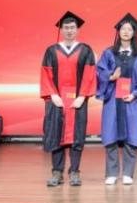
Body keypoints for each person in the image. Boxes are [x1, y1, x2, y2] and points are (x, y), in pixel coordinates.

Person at [41, 11, 96, 187]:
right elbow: (46, 74)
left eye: (72, 27)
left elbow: (89, 74)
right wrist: (53, 95)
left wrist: (82, 96)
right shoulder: (51, 50)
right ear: (61, 29)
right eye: (66, 27)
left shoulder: (85, 50)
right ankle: (57, 172)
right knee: (55, 133)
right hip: (56, 100)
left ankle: (74, 172)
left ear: (77, 30)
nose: (69, 30)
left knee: (77, 135)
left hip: (77, 100)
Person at [97, 13, 137, 185]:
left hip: (131, 100)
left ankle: (128, 173)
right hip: (112, 98)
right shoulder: (108, 53)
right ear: (118, 31)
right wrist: (111, 77)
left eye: (130, 29)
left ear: (134, 33)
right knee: (110, 134)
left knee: (132, 134)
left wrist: (135, 94)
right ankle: (111, 173)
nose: (126, 32)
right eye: (123, 29)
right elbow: (100, 72)